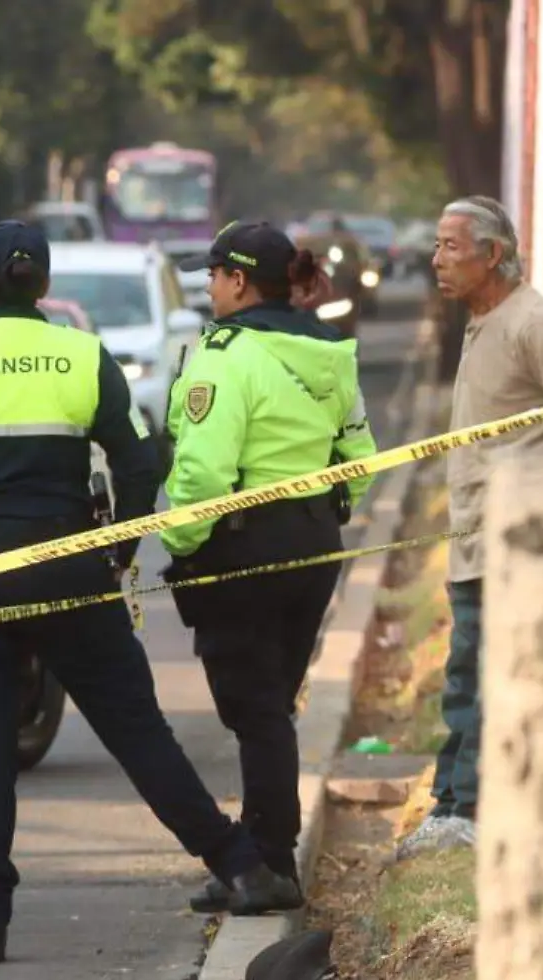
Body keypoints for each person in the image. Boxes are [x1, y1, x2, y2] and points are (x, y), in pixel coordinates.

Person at [0, 220, 302, 963]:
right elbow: (138, 464)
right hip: (69, 571)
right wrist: (115, 550)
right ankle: (241, 867)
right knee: (137, 731)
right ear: (42, 286)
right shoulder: (83, 353)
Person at [161, 221, 379, 910]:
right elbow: (362, 461)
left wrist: (183, 548)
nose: (207, 285)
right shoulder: (329, 349)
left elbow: (200, 473)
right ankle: (258, 855)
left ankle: (270, 865)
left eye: (214, 274)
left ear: (240, 281)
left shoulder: (225, 355)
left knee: (255, 710)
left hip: (242, 551)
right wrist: (319, 507)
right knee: (270, 707)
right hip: (314, 545)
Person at [396, 196, 543, 860]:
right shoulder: (481, 321)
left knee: (483, 676)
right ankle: (453, 802)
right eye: (437, 245)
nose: (436, 259)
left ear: (492, 254)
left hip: (511, 538)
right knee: (465, 676)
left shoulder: (535, 323)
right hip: (471, 537)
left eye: (450, 246)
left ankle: (467, 808)